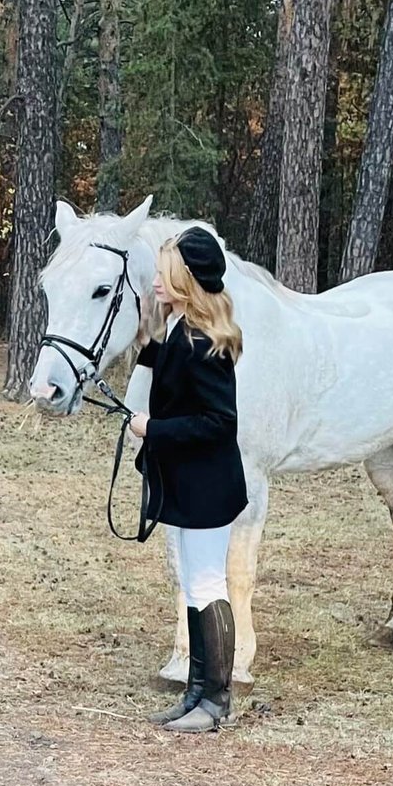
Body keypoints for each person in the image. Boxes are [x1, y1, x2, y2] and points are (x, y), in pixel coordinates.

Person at [128, 226, 248, 734]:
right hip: (190, 482)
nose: (156, 281)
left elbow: (221, 423)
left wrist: (153, 429)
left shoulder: (205, 341)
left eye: (164, 273)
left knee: (206, 584)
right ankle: (196, 692)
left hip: (206, 485)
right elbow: (161, 369)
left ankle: (216, 699)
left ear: (187, 278)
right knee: (194, 585)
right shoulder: (180, 329)